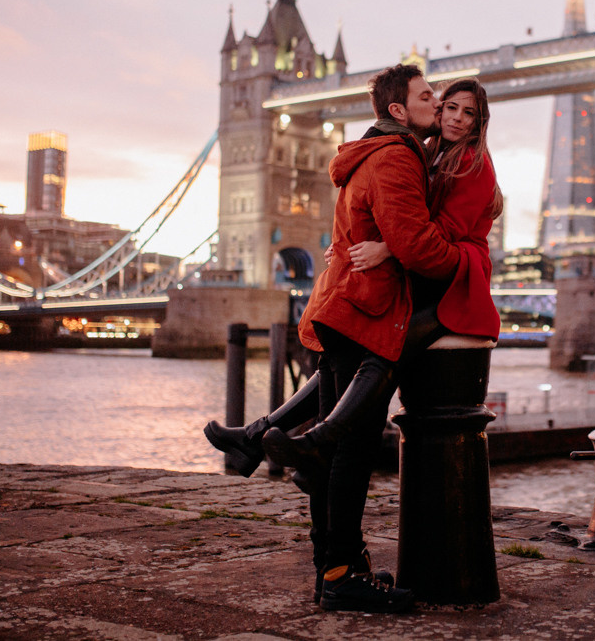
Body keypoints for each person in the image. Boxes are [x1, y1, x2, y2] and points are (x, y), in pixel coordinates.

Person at [203, 77, 501, 475]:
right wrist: (348, 245)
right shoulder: (427, 155)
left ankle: (315, 442)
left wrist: (387, 248)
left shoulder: (472, 162)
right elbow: (401, 217)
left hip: (459, 280)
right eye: (451, 107)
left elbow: (441, 230)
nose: (459, 119)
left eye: (470, 114)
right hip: (424, 275)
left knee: (384, 349)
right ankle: (259, 438)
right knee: (335, 362)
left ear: (480, 122)